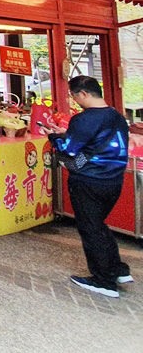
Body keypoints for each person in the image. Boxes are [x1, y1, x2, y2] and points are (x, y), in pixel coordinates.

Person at [43, 75, 132, 298]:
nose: (74, 101)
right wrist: (67, 134)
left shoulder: (83, 119)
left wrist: (54, 137)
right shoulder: (117, 117)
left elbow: (70, 149)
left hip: (88, 180)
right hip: (113, 180)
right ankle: (118, 270)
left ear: (82, 93)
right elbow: (95, 141)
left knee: (90, 228)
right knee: (98, 225)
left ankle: (104, 281)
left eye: (74, 96)